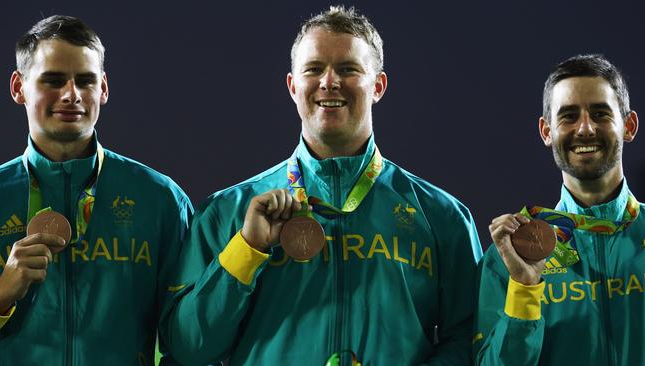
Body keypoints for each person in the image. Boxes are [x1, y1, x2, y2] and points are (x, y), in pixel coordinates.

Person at [162, 6, 482, 365]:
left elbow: (469, 341)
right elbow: (186, 349)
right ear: (292, 85)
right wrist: (248, 249)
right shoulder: (227, 212)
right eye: (314, 69)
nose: (329, 81)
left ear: (378, 86)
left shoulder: (443, 216)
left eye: (348, 69)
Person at [0, 15, 193, 365]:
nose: (71, 95)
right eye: (53, 80)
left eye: (84, 81)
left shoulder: (161, 199)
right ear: (18, 87)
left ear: (103, 88)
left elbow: (192, 339)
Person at [473, 54, 645, 365]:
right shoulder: (511, 252)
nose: (584, 129)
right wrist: (524, 289)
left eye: (600, 113)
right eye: (568, 116)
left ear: (629, 126)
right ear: (546, 131)